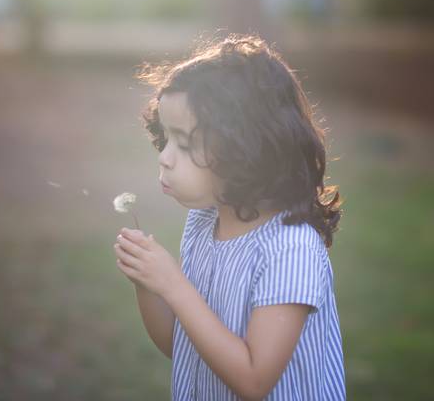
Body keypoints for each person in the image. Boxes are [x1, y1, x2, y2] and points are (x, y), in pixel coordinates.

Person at [113, 33, 346, 400]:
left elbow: (253, 380)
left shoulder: (289, 248)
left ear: (245, 149)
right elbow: (182, 345)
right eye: (165, 138)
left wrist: (173, 284)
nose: (164, 157)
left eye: (185, 143)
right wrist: (149, 284)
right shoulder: (205, 221)